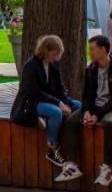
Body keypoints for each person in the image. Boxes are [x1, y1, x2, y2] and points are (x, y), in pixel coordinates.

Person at [59, 34, 112, 186]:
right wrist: (87, 111)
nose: (90, 53)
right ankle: (72, 165)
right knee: (71, 121)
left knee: (109, 122)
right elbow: (87, 94)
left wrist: (97, 115)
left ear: (103, 50)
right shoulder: (91, 69)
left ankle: (107, 169)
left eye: (92, 49)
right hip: (95, 107)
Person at [9, 34, 80, 172]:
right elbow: (33, 92)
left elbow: (59, 86)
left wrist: (65, 102)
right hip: (33, 102)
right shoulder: (31, 66)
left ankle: (71, 138)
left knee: (78, 106)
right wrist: (59, 104)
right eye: (54, 54)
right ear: (46, 50)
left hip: (52, 99)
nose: (56, 57)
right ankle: (53, 148)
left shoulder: (54, 64)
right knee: (55, 112)